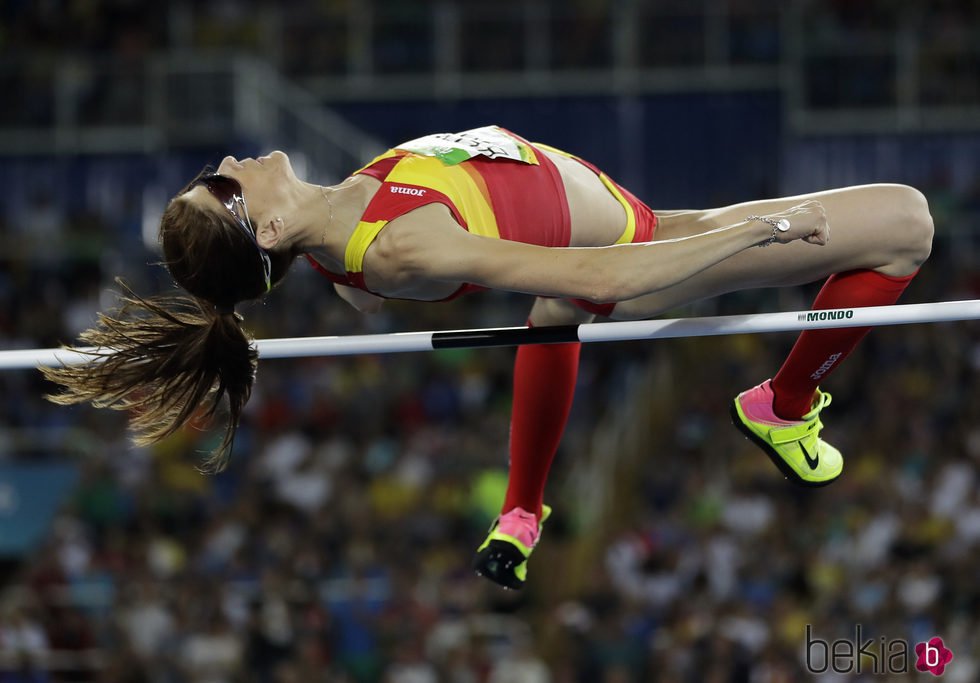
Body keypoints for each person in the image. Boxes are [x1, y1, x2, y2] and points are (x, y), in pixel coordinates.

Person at [43, 125, 933, 590]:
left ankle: (521, 512)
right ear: (265, 226)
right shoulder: (398, 246)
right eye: (224, 182)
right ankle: (781, 403)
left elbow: (363, 286)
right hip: (647, 243)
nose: (233, 157)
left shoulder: (330, 233)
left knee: (550, 313)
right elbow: (597, 271)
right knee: (904, 226)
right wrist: (760, 231)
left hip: (622, 218)